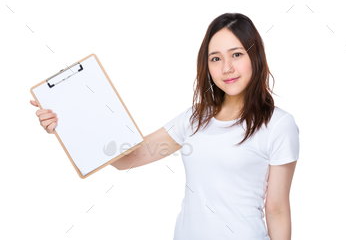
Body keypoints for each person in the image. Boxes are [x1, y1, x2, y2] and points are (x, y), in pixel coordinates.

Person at [31, 12, 299, 240]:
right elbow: (129, 158)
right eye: (216, 58)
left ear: (256, 56)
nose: (227, 67)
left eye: (237, 54)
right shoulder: (195, 119)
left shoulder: (278, 125)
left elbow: (276, 208)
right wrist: (68, 125)